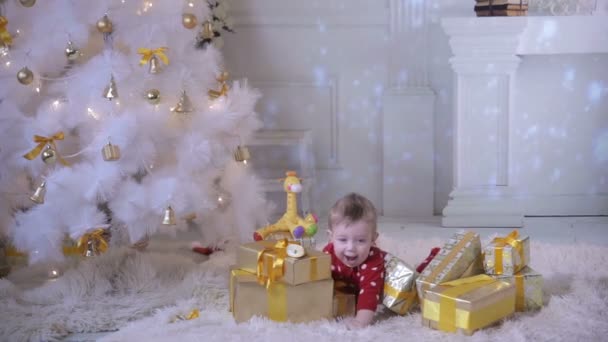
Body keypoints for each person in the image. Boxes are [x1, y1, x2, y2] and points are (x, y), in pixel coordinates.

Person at [323, 192, 386, 329]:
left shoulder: (373, 261)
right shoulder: (328, 253)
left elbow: (370, 292)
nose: (351, 248)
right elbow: (318, 280)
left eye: (361, 240)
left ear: (373, 239)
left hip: (390, 278)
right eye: (343, 240)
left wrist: (360, 322)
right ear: (331, 237)